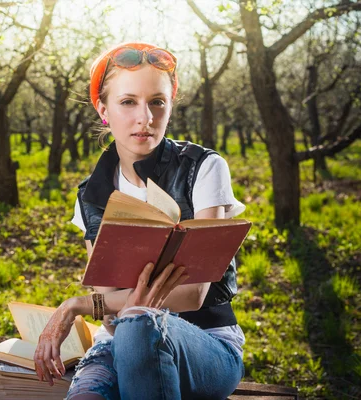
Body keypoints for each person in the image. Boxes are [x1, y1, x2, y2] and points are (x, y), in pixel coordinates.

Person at [33, 42, 246, 400]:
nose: (144, 118)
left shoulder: (205, 167)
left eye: (157, 102)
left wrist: (77, 305)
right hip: (117, 346)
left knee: (138, 321)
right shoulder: (90, 195)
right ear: (104, 109)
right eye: (128, 102)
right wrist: (113, 306)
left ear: (170, 106)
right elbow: (108, 303)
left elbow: (194, 294)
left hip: (207, 345)